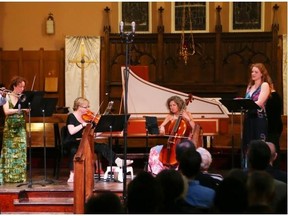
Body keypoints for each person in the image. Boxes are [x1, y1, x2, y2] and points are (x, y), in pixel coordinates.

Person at [65, 97, 133, 183]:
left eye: (88, 107)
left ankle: (118, 161)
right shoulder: (71, 116)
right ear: (79, 107)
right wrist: (82, 125)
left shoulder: (88, 118)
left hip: (85, 141)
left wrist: (103, 129)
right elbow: (71, 131)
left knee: (103, 146)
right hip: (72, 141)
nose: (88, 109)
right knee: (74, 150)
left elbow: (93, 134)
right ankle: (72, 174)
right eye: (85, 107)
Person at [148, 95, 196, 175]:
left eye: (174, 105)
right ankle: (157, 172)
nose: (172, 107)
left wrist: (188, 119)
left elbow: (194, 128)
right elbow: (161, 129)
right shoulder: (170, 116)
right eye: (170, 105)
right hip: (171, 142)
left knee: (181, 151)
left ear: (179, 105)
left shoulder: (187, 114)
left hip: (184, 142)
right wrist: (161, 129)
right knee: (154, 150)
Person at [242, 63, 273, 169]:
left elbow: (259, 102)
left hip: (258, 118)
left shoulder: (264, 85)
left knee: (259, 144)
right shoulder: (250, 86)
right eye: (252, 71)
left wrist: (246, 103)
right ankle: (247, 169)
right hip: (249, 118)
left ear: (261, 74)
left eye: (256, 72)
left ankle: (260, 168)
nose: (253, 74)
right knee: (248, 143)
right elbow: (246, 102)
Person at [0, 76, 29, 184]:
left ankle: (19, 177)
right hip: (10, 128)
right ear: (14, 86)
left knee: (20, 151)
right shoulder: (6, 96)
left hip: (20, 126)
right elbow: (6, 111)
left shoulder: (23, 97)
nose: (22, 89)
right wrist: (21, 110)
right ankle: (8, 177)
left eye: (23, 87)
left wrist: (27, 110)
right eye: (20, 86)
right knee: (9, 152)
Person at [265, 84, 283, 168]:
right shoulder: (272, 96)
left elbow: (273, 115)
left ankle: (274, 169)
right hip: (273, 127)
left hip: (273, 128)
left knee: (273, 149)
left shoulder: (273, 97)